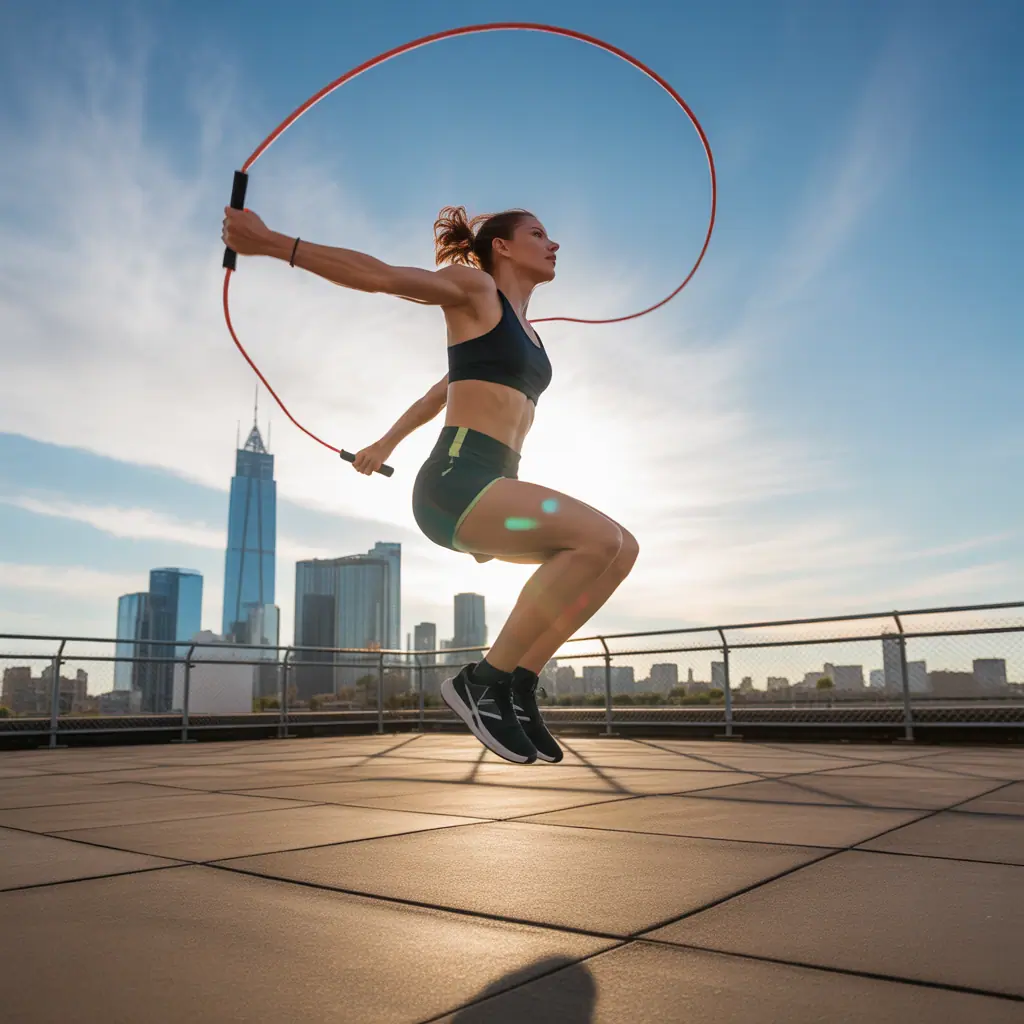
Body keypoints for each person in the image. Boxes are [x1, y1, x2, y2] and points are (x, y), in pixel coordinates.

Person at [221, 204, 639, 765]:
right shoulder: (474, 291)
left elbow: (436, 394)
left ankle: (518, 684)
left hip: (493, 487)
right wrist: (272, 243)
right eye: (538, 234)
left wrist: (383, 444)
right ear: (503, 248)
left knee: (621, 549)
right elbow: (383, 277)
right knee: (598, 540)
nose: (554, 243)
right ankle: (482, 682)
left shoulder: (528, 335)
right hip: (454, 484)